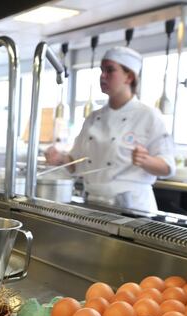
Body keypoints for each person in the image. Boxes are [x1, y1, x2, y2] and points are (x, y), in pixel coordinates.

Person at [45, 47, 175, 213]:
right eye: (101, 70)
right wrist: (61, 158)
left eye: (110, 70)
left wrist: (145, 160)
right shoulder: (93, 118)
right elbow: (75, 164)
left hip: (132, 210)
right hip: (94, 205)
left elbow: (168, 168)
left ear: (129, 76)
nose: (102, 76)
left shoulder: (149, 116)